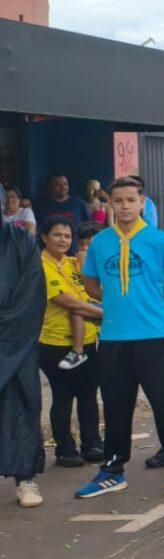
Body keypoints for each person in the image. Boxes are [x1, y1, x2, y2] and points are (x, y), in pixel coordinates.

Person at [77, 177, 164, 500]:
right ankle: (113, 469)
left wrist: (157, 303)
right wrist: (112, 302)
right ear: (110, 204)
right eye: (118, 201)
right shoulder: (101, 242)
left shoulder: (158, 241)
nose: (125, 206)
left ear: (142, 202)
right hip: (114, 338)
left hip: (154, 337)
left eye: (131, 200)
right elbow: (90, 283)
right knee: (116, 406)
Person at [37, 218, 104, 468]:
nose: (63, 240)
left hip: (87, 340)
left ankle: (92, 444)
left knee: (88, 395)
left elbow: (93, 283)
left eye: (67, 236)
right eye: (57, 235)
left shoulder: (74, 262)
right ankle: (65, 449)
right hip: (55, 343)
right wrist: (104, 313)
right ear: (44, 237)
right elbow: (67, 301)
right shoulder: (41, 266)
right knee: (63, 396)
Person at [0, 188, 44, 508]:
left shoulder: (21, 243)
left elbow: (31, 295)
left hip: (16, 343)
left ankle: (26, 478)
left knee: (21, 405)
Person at [35, 173, 90, 248]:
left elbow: (87, 227)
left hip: (74, 249)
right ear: (49, 187)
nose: (63, 187)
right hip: (49, 250)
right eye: (57, 185)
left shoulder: (78, 203)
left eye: (65, 184)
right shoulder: (41, 205)